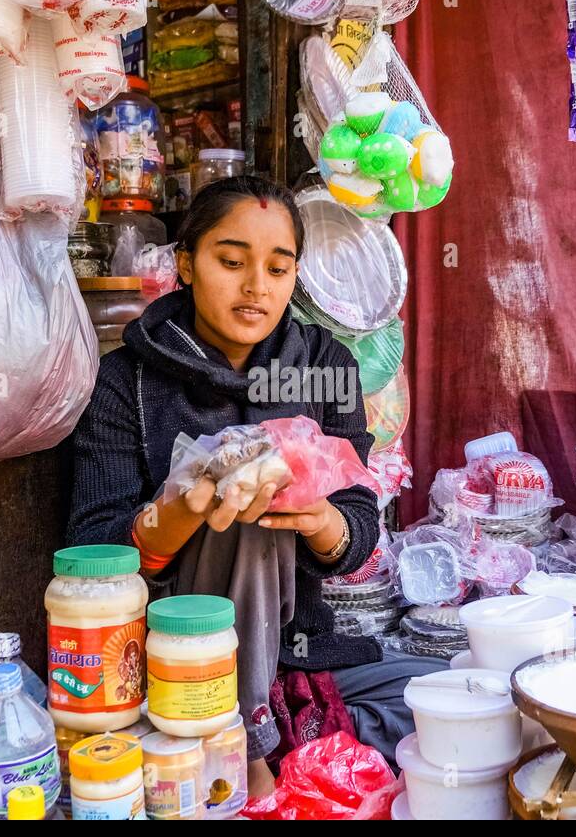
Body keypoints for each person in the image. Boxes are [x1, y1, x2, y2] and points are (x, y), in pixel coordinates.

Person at [68, 176, 444, 798]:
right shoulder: (124, 379)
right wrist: (180, 512)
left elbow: (357, 523)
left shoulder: (326, 367)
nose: (256, 287)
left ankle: (277, 729)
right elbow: (93, 551)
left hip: (295, 638)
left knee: (451, 699)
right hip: (168, 652)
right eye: (231, 261)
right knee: (237, 504)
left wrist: (320, 519)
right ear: (186, 264)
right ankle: (245, 739)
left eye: (278, 267)